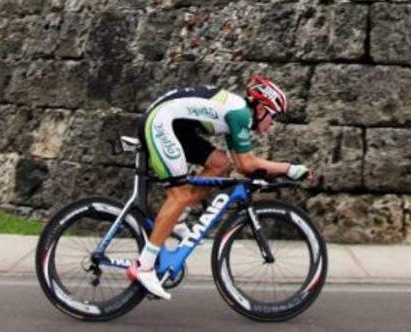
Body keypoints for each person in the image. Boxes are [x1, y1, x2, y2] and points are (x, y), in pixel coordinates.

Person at [127, 75, 309, 301]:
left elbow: (242, 165)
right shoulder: (240, 114)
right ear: (261, 108)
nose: (272, 124)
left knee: (219, 164)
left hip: (175, 125)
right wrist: (290, 169)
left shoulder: (238, 115)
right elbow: (249, 164)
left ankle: (178, 219)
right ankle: (144, 267)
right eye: (273, 116)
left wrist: (280, 171)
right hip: (160, 122)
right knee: (179, 195)